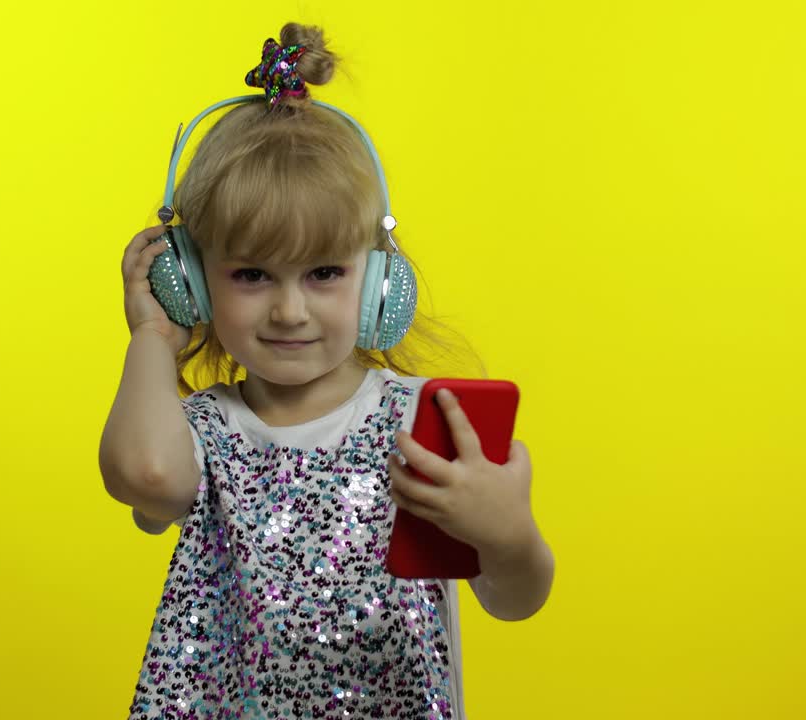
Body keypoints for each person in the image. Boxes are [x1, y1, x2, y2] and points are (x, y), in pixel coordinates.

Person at [99, 22, 554, 720]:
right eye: (251, 273)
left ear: (378, 281)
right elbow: (147, 478)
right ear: (190, 281)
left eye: (324, 273)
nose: (289, 311)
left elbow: (516, 600)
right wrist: (154, 339)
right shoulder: (199, 433)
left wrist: (507, 535)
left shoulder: (418, 422)